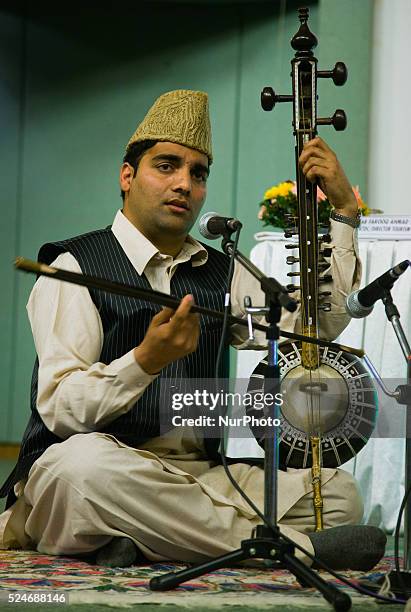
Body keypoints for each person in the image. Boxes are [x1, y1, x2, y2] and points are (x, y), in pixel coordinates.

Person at [0, 90, 385, 571]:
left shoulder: (223, 272)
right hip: (98, 465)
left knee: (338, 494)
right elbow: (61, 412)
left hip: (193, 477)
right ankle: (291, 550)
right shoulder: (73, 265)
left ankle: (135, 539)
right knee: (81, 469)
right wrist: (145, 362)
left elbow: (315, 327)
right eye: (166, 166)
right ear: (127, 176)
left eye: (197, 173)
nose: (183, 183)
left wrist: (345, 213)